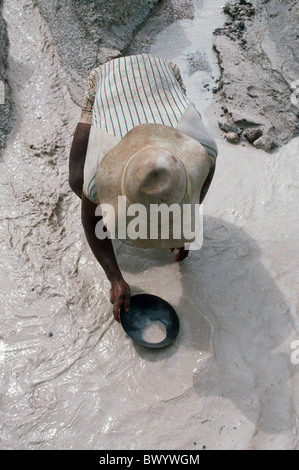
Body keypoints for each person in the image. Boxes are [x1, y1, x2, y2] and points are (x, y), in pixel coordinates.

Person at [69, 54, 218, 322]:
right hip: (109, 82)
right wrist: (115, 278)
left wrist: (183, 231)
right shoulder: (97, 173)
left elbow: (197, 195)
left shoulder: (202, 150)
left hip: (161, 75)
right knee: (74, 181)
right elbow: (91, 223)